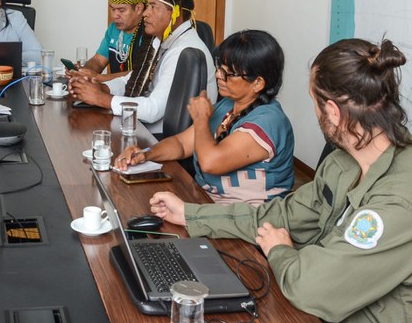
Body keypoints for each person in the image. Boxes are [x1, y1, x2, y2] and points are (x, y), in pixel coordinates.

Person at [150, 38, 412, 322]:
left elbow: (313, 289)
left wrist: (279, 250)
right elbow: (284, 213)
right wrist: (190, 214)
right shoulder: (342, 163)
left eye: (314, 102)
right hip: (306, 301)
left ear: (333, 113)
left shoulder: (398, 202)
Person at [118, 30, 294, 204]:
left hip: (249, 219)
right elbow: (181, 144)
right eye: (220, 67)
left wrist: (201, 119)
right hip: (208, 203)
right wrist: (146, 154)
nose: (218, 75)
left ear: (258, 83)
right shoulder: (227, 105)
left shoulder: (268, 122)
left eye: (229, 73)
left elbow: (210, 162)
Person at [68, 0, 216, 135]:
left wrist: (102, 99)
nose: (145, 13)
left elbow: (153, 109)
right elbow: (135, 78)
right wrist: (102, 88)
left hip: (162, 137)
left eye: (153, 6)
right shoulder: (162, 40)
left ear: (175, 13)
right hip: (145, 127)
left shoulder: (183, 50)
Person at [68, 0, 149, 82]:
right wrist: (83, 72)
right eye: (112, 9)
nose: (115, 16)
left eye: (121, 10)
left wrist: (98, 78)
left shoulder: (149, 31)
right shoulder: (113, 28)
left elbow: (142, 73)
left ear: (138, 8)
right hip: (115, 91)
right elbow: (98, 61)